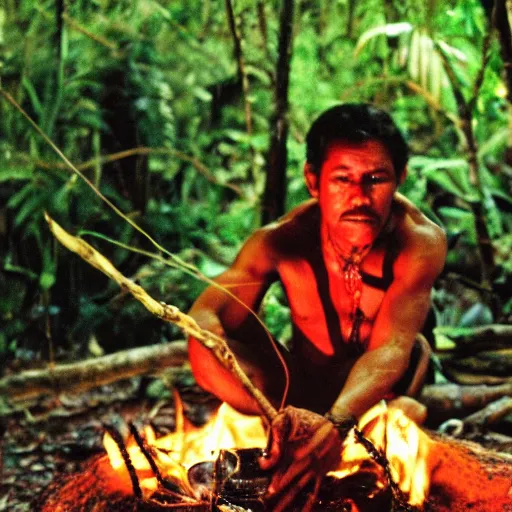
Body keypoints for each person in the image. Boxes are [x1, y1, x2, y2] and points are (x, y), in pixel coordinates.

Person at [188, 103, 446, 508]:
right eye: (342, 179)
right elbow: (210, 312)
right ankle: (289, 432)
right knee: (203, 350)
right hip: (300, 391)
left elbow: (391, 349)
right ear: (313, 181)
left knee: (406, 405)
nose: (359, 197)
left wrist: (338, 422)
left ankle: (357, 428)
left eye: (375, 179)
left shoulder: (419, 241)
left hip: (378, 395)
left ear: (400, 178)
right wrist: (207, 328)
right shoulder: (280, 240)